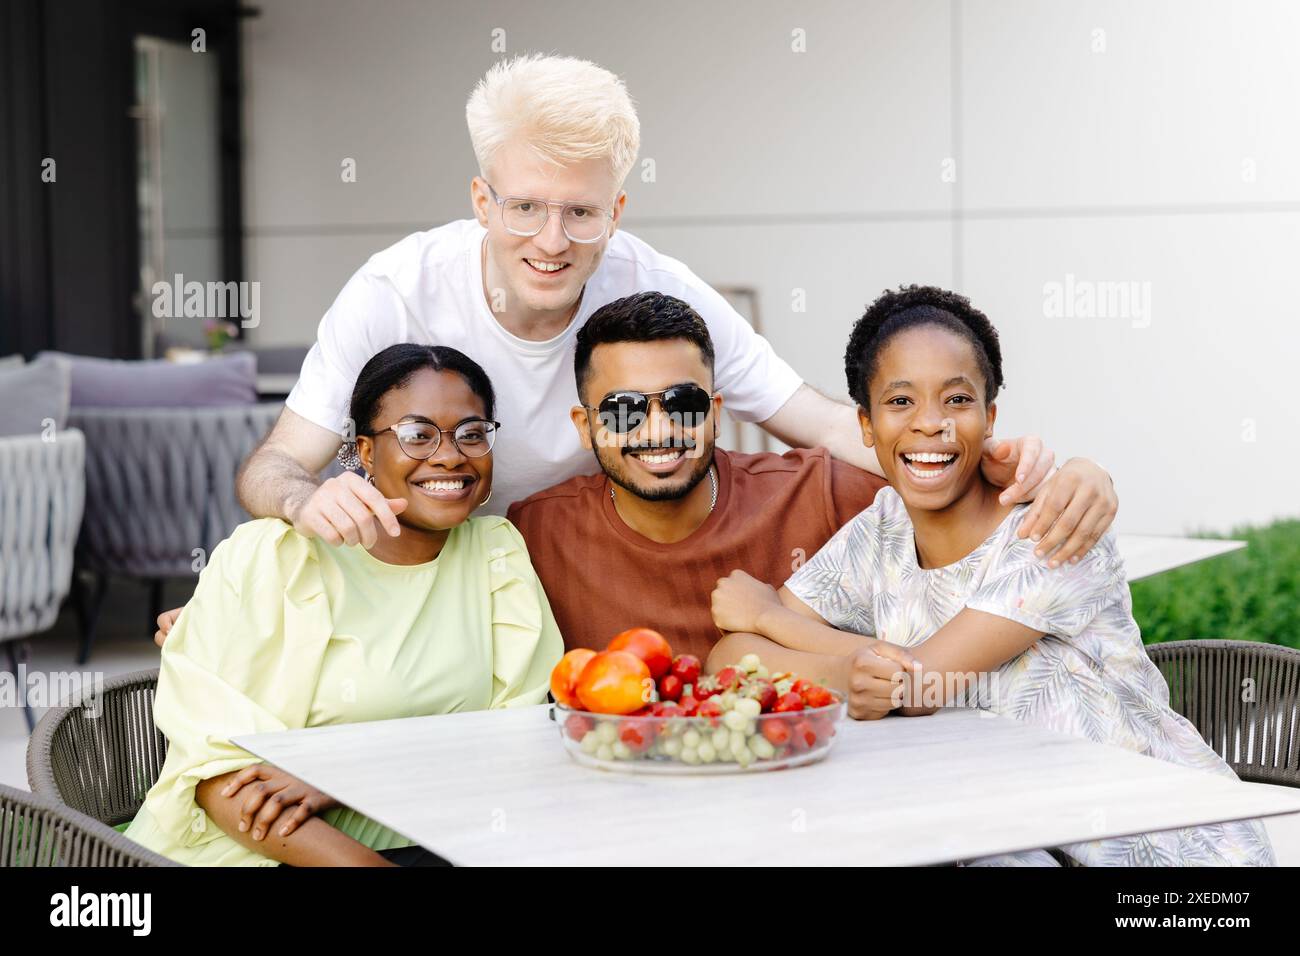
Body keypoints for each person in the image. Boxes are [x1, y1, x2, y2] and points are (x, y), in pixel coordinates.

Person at [234, 53, 1070, 553]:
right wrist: (305, 505)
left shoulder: (654, 285)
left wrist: (966, 456)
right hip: (405, 565)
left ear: (617, 211)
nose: (552, 239)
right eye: (525, 207)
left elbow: (816, 421)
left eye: (581, 211)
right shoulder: (396, 289)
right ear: (484, 202)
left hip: (534, 578)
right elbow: (271, 469)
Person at [709, 285, 1275, 866]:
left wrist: (771, 617)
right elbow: (730, 661)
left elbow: (916, 686)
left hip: (1174, 854)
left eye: (956, 399)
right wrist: (839, 670)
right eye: (900, 401)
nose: (931, 424)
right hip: (1015, 841)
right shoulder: (879, 531)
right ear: (866, 424)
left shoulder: (1052, 529)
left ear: (989, 416)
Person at [126, 344, 562, 866]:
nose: (450, 455)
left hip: (448, 839)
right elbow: (218, 776)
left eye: (471, 433)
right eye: (417, 435)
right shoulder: (271, 554)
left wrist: (347, 772)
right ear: (366, 452)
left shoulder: (497, 553)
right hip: (259, 853)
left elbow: (521, 737)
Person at [508, 291, 1117, 660]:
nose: (657, 428)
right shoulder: (534, 532)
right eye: (624, 410)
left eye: (685, 403)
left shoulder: (823, 494)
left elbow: (944, 479)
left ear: (716, 413)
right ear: (585, 427)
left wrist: (1078, 474)